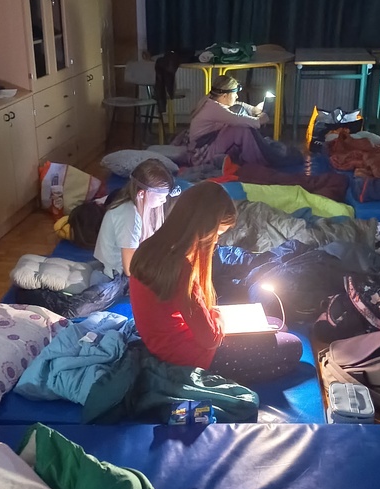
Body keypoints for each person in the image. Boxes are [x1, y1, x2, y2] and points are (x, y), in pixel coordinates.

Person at [129, 180, 303, 384]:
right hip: (188, 356)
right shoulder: (180, 267)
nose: (216, 241)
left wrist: (213, 316)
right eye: (217, 233)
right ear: (204, 228)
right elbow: (210, 339)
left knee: (275, 325)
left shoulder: (148, 248)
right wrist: (218, 316)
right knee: (293, 346)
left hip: (163, 344)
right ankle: (220, 375)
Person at [93, 158, 175, 279]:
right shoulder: (129, 216)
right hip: (115, 276)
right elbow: (129, 270)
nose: (164, 200)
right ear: (141, 194)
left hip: (125, 267)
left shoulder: (139, 206)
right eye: (160, 197)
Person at [187, 74, 271, 166]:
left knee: (238, 110)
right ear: (224, 96)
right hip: (202, 153)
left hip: (207, 144)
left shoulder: (212, 101)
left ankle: (258, 149)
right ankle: (260, 158)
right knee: (240, 129)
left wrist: (253, 110)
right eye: (235, 94)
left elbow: (238, 104)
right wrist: (259, 120)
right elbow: (237, 119)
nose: (237, 96)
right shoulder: (214, 108)